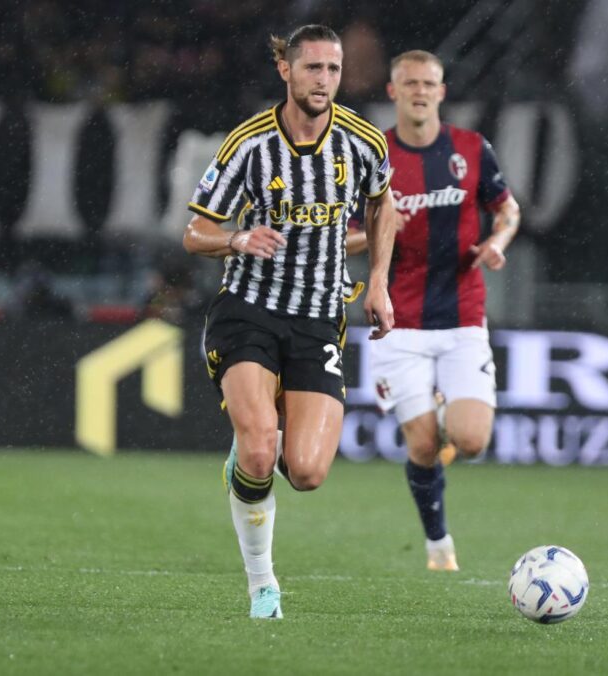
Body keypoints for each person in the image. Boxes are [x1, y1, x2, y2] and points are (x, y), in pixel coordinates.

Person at [182, 24, 397, 619]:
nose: (324, 80)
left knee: (306, 472)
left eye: (333, 69)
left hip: (319, 318)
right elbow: (195, 232)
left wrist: (379, 281)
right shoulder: (249, 143)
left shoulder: (362, 141)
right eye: (313, 68)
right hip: (249, 310)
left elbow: (383, 203)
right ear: (286, 71)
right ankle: (263, 586)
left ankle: (256, 444)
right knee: (258, 454)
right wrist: (236, 238)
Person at [366, 50, 521, 571]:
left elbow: (507, 209)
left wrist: (497, 241)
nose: (419, 91)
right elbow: (341, 233)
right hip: (397, 323)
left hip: (462, 316)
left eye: (428, 83)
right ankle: (438, 546)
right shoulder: (374, 155)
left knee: (472, 441)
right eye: (409, 83)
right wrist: (378, 231)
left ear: (441, 91)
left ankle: (440, 411)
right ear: (393, 91)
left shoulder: (471, 149)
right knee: (423, 445)